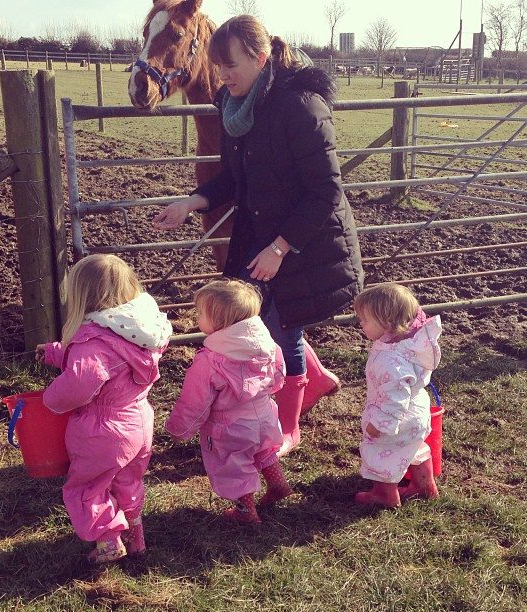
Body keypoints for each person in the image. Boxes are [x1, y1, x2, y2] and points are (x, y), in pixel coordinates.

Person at [153, 15, 364, 457]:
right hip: (263, 229)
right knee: (263, 319)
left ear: (261, 57)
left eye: (231, 65)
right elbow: (235, 177)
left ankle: (288, 427)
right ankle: (317, 379)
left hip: (305, 236)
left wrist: (280, 248)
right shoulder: (235, 109)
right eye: (219, 65)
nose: (223, 75)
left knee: (282, 324)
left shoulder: (299, 106)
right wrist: (192, 202)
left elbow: (326, 192)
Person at [35, 254, 172, 563]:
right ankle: (136, 536)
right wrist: (58, 353)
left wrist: (51, 398)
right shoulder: (136, 331)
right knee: (128, 480)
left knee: (89, 486)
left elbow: (86, 376)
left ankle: (108, 541)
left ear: (83, 296)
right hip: (138, 420)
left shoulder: (93, 340)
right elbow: (109, 360)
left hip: (102, 429)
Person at [165, 279, 293, 524]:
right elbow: (279, 372)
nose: (196, 317)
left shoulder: (210, 360)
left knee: (233, 464)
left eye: (200, 313)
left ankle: (246, 512)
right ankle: (278, 484)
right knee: (263, 449)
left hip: (230, 426)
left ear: (219, 322)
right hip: (264, 414)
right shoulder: (266, 344)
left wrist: (179, 429)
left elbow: (195, 402)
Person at [353, 283, 442, 508]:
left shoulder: (389, 362)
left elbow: (394, 398)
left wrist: (381, 424)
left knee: (381, 452)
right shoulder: (407, 345)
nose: (360, 324)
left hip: (396, 418)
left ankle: (384, 495)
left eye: (365, 320)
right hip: (417, 412)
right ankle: (424, 487)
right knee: (416, 447)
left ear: (387, 323)